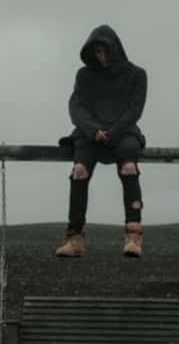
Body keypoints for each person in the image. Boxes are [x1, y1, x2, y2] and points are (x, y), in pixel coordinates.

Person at [57, 25, 147, 258]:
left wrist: (113, 132)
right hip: (89, 134)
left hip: (124, 132)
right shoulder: (84, 75)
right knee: (79, 171)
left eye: (105, 50)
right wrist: (93, 130)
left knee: (129, 167)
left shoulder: (137, 75)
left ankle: (133, 235)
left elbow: (135, 110)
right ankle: (74, 238)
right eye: (97, 52)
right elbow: (76, 107)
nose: (102, 56)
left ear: (115, 48)